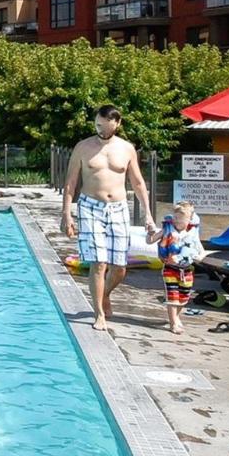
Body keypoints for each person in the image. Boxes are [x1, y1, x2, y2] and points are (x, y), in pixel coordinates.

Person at [61, 104, 157, 331]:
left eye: (105, 125)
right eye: (97, 125)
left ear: (117, 124)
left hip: (118, 208)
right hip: (90, 207)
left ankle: (105, 294)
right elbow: (70, 183)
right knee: (98, 262)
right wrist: (66, 213)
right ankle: (99, 313)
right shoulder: (83, 147)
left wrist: (148, 215)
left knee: (120, 267)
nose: (100, 129)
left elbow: (138, 183)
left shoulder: (126, 148)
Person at [151, 201, 202, 335]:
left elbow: (200, 251)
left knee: (183, 298)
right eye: (175, 217)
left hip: (187, 270)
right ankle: (173, 323)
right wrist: (150, 232)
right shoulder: (167, 230)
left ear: (189, 219)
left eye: (181, 219)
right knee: (172, 297)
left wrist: (198, 257)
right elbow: (150, 240)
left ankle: (176, 317)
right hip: (170, 268)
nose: (177, 221)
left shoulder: (192, 233)